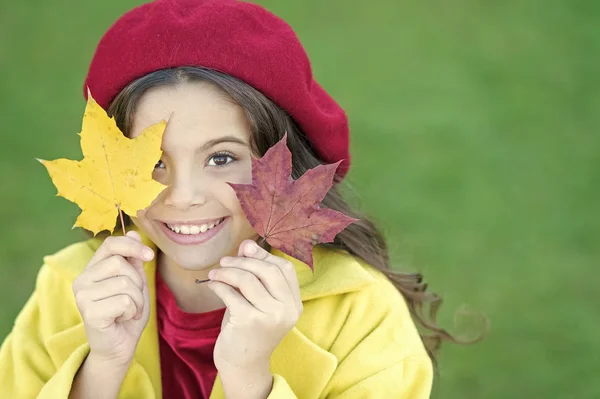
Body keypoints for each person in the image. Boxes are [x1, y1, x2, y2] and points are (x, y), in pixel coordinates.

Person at [0, 0, 458, 397]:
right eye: (154, 162)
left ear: (285, 167)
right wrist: (102, 369)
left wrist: (248, 380)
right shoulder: (69, 291)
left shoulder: (360, 313)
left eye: (221, 158)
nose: (182, 197)